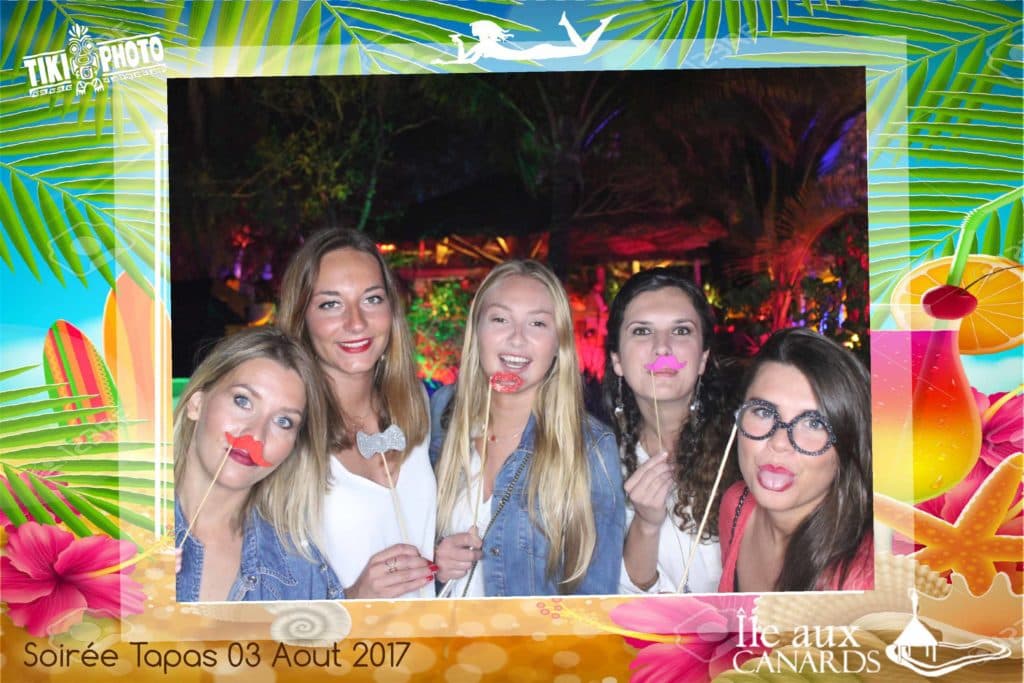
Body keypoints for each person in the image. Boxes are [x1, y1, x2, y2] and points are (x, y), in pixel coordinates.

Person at [431, 260, 625, 597]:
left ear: (559, 343)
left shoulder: (591, 446)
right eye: (501, 319)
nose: (517, 339)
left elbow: (595, 597)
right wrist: (434, 564)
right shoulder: (442, 417)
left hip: (534, 649)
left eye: (537, 323)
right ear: (477, 332)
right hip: (439, 645)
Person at [278, 228, 436, 599]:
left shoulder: (419, 409)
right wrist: (352, 600)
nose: (356, 322)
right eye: (331, 304)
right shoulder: (286, 434)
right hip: (341, 654)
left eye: (372, 299)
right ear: (302, 318)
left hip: (433, 651)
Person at [174, 326, 342, 601]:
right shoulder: (115, 529)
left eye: (283, 421)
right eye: (243, 401)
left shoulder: (302, 572)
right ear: (196, 403)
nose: (255, 435)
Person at [603, 268, 738, 594]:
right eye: (642, 331)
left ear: (703, 358)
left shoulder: (744, 448)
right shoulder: (598, 462)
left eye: (680, 330)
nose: (662, 347)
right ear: (617, 360)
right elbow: (620, 598)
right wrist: (646, 526)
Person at [719, 327, 874, 592]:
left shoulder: (861, 580)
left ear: (848, 445)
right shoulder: (736, 506)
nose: (779, 442)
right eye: (763, 411)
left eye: (814, 423)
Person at [435, 12, 616, 65]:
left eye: (474, 30)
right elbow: (464, 59)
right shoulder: (484, 45)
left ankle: (600, 23)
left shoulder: (483, 46)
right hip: (536, 52)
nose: (473, 32)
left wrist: (445, 61)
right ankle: (571, 23)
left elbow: (464, 60)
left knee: (583, 50)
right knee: (583, 50)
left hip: (537, 51)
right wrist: (457, 43)